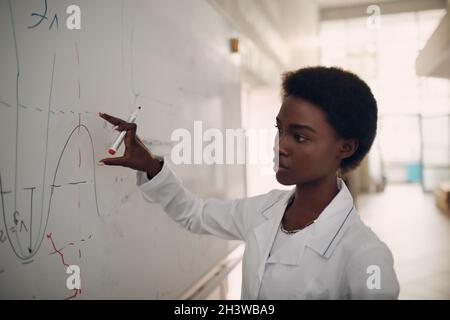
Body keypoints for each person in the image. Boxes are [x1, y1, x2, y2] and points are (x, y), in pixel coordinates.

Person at [98, 66, 400, 299]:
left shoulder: (366, 256)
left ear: (345, 147)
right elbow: (195, 214)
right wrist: (150, 164)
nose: (280, 145)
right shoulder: (265, 210)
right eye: (279, 130)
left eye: (300, 136)